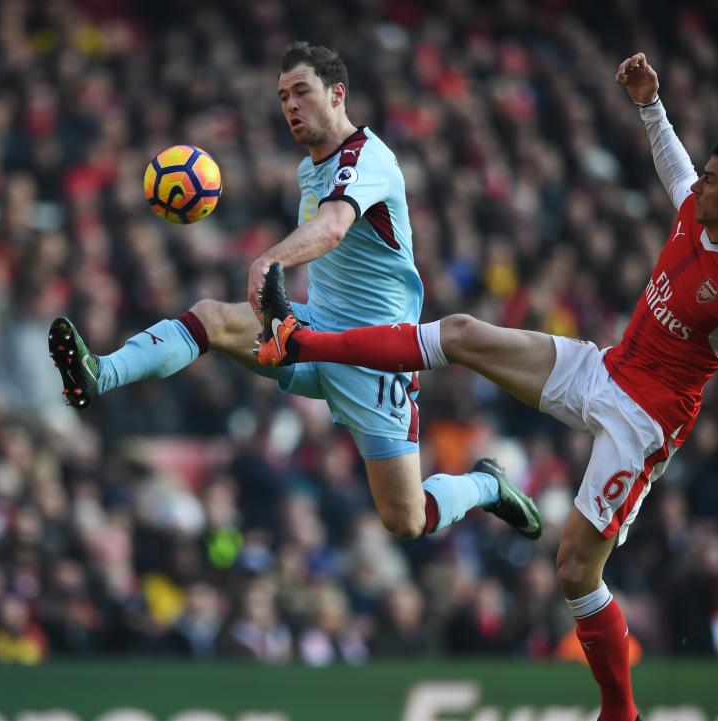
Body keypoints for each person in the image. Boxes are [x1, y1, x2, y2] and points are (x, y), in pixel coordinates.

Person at [255, 52, 718, 721]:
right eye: (703, 171)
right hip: (607, 367)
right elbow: (671, 164)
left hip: (645, 421)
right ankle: (308, 343)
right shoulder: (697, 207)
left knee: (575, 570)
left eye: (713, 179)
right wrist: (649, 104)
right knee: (460, 334)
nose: (697, 181)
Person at [48, 42, 541, 544]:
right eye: (283, 96)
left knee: (406, 519)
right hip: (312, 335)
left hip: (377, 359)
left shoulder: (367, 157)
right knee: (212, 318)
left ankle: (486, 484)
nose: (290, 105)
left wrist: (269, 260)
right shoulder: (310, 169)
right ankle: (100, 375)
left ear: (337, 94)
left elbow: (332, 229)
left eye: (302, 91)